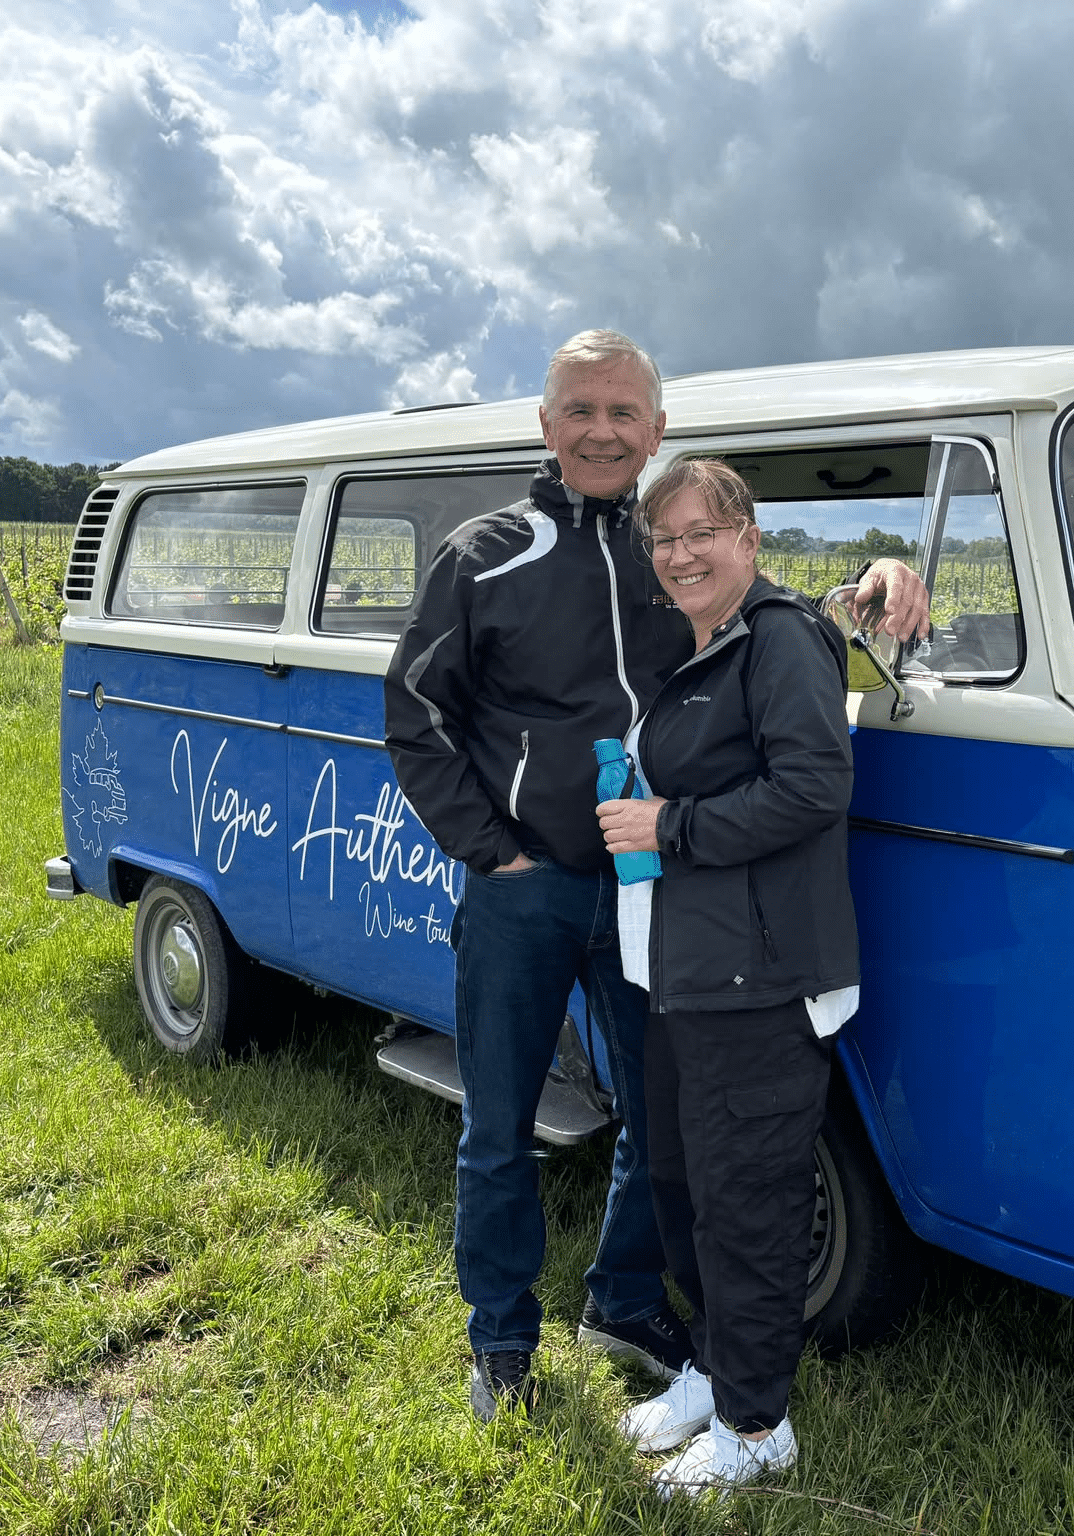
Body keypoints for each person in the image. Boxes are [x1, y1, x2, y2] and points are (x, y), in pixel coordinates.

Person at [382, 330, 927, 1422]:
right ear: (545, 426)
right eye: (579, 410)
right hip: (528, 885)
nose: (600, 430)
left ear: (655, 430)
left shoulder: (664, 546)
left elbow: (748, 610)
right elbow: (416, 715)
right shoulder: (484, 552)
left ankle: (624, 1301)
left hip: (656, 890)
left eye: (623, 413)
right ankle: (499, 1340)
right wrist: (493, 848)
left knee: (658, 1119)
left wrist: (875, 578)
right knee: (497, 1125)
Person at [596, 457, 856, 1497]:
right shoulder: (701, 644)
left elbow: (812, 785)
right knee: (685, 1186)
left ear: (747, 538)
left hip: (756, 977)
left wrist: (673, 823)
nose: (681, 552)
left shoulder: (780, 637)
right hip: (681, 970)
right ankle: (713, 1372)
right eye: (664, 538)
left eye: (702, 531)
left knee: (747, 1200)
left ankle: (757, 1428)